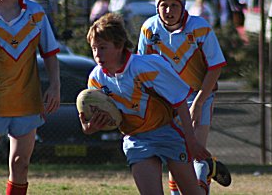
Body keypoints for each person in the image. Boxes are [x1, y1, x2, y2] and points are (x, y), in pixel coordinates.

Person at [80, 12, 211, 194]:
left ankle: (203, 174)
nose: (97, 54)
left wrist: (191, 141)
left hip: (168, 132)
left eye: (102, 48)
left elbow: (180, 101)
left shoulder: (146, 66)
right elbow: (102, 114)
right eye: (94, 48)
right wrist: (89, 127)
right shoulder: (96, 79)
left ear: (119, 46)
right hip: (136, 139)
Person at [137, 0, 231, 194]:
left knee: (191, 153)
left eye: (174, 5)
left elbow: (215, 68)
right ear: (156, 7)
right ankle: (205, 170)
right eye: (163, 5)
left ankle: (204, 170)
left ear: (183, 7)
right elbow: (142, 68)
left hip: (199, 96)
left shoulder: (200, 28)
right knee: (176, 153)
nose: (168, 10)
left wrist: (199, 102)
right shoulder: (149, 28)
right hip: (167, 101)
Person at [0, 0, 60, 194]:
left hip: (27, 100)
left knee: (20, 164)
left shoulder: (35, 12)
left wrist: (55, 86)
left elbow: (49, 52)